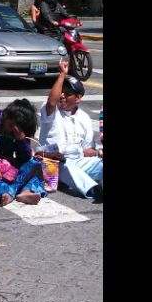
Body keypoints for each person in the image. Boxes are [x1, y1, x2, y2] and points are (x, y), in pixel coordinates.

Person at [38, 59, 103, 201]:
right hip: (52, 165)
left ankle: (86, 181)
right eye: (62, 91)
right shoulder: (52, 110)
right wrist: (62, 75)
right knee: (64, 163)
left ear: (78, 98)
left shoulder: (84, 118)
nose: (62, 95)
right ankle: (94, 190)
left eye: (67, 93)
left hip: (78, 162)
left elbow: (88, 150)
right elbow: (51, 102)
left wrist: (99, 152)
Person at [0, 99, 47, 206]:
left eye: (15, 129)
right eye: (11, 125)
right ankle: (8, 192)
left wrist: (21, 139)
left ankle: (23, 192)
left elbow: (24, 159)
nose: (11, 129)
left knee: (36, 165)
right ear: (7, 115)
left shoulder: (19, 131)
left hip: (10, 169)